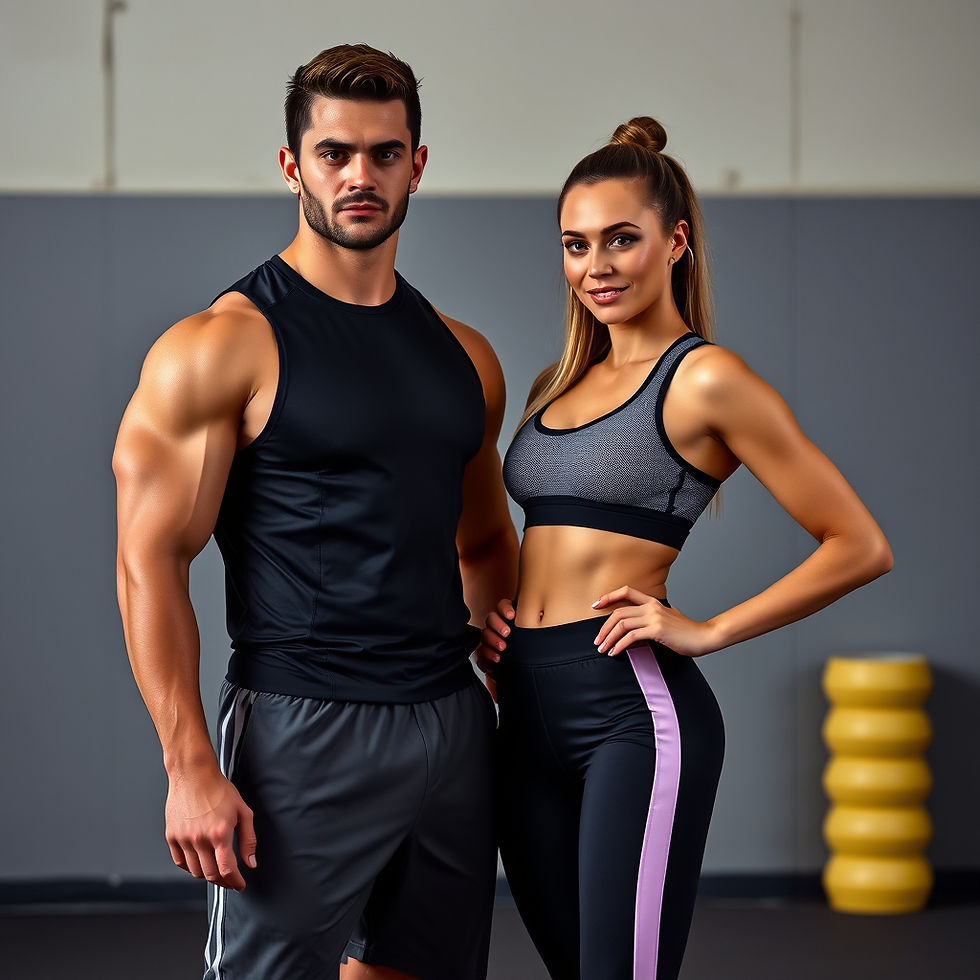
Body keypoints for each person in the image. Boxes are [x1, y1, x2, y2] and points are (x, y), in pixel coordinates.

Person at [113, 44, 518, 980]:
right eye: (335, 153)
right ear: (293, 166)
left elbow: (489, 541)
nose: (360, 175)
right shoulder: (221, 347)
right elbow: (151, 560)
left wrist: (508, 685)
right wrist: (187, 765)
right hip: (303, 729)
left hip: (450, 726)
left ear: (418, 165)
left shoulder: (465, 356)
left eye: (384, 153)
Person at [477, 117, 893, 980]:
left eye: (622, 240)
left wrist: (705, 630)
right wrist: (497, 619)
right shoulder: (560, 382)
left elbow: (858, 543)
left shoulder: (706, 379)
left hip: (628, 710)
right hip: (524, 705)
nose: (597, 266)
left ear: (676, 241)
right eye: (576, 244)